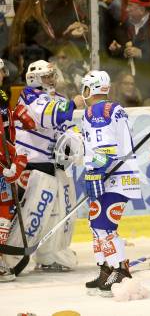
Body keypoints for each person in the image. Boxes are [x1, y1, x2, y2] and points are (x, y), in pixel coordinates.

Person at [6, 60, 83, 273]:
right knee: (33, 213)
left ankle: (52, 255)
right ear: (34, 78)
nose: (51, 79)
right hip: (31, 165)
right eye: (46, 76)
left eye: (52, 75)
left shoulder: (57, 98)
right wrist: (73, 104)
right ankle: (11, 258)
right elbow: (49, 116)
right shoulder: (29, 98)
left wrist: (76, 138)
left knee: (62, 211)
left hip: (53, 164)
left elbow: (66, 124)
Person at [81, 71, 141, 297]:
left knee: (104, 227)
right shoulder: (113, 108)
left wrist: (94, 172)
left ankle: (121, 271)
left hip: (112, 176)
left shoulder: (96, 110)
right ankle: (106, 269)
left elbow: (106, 149)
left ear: (89, 89)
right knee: (96, 225)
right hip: (115, 174)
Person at [0, 59, 35, 281]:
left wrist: (14, 158)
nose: (3, 74)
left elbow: (7, 134)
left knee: (5, 207)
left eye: (3, 71)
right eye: (0, 71)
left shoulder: (2, 96)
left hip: (4, 163)